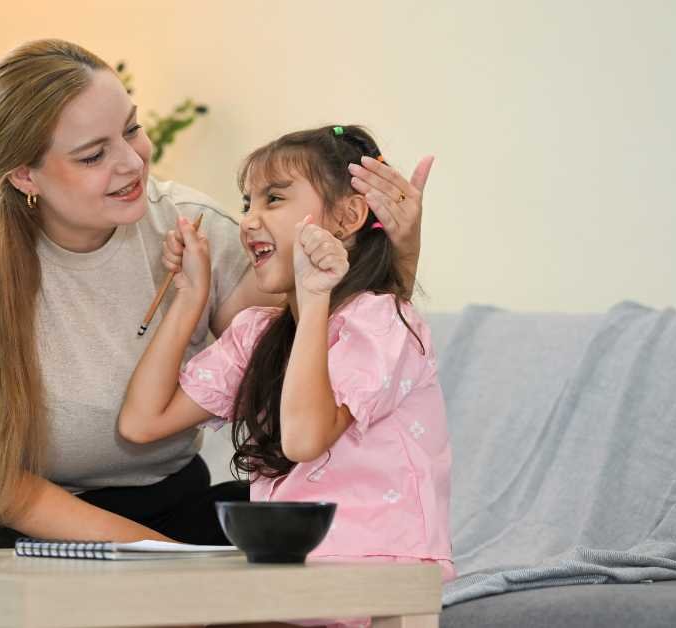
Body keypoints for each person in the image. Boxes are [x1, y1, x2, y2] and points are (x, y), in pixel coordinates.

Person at [0, 39, 433, 549]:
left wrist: (395, 250)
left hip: (175, 503)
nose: (131, 162)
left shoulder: (191, 227)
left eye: (132, 129)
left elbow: (319, 352)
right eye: (93, 155)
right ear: (26, 176)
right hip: (28, 524)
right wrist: (163, 563)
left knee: (311, 533)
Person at [118, 126, 453, 626]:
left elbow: (303, 439)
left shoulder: (381, 323)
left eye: (273, 198)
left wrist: (315, 297)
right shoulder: (259, 333)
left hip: (377, 587)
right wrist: (189, 298)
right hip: (293, 586)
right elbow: (142, 423)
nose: (248, 219)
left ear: (348, 217)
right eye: (247, 201)